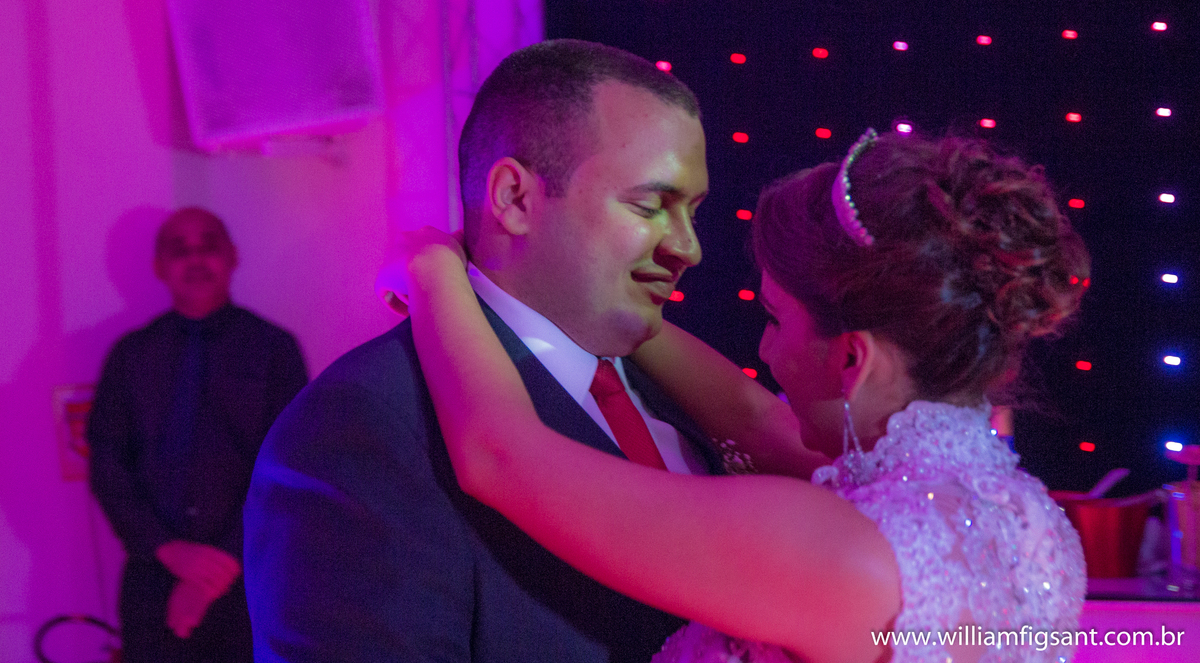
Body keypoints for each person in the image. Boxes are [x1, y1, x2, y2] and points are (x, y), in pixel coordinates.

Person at [402, 129, 1091, 662]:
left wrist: (430, 269)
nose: (762, 352)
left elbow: (500, 457)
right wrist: (606, 304)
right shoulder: (1028, 521)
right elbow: (755, 419)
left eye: (774, 319)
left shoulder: (834, 549)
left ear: (851, 358)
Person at [244, 40, 816, 662]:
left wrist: (434, 270)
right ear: (515, 199)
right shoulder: (365, 426)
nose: (688, 248)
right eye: (652, 205)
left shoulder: (684, 400)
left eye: (692, 212)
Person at [88, 207, 308, 663]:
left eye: (209, 246)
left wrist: (220, 565)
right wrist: (170, 552)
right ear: (159, 267)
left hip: (253, 574)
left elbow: (292, 465)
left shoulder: (274, 350)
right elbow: (108, 465)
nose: (196, 260)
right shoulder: (131, 357)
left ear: (232, 256)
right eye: (179, 250)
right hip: (154, 575)